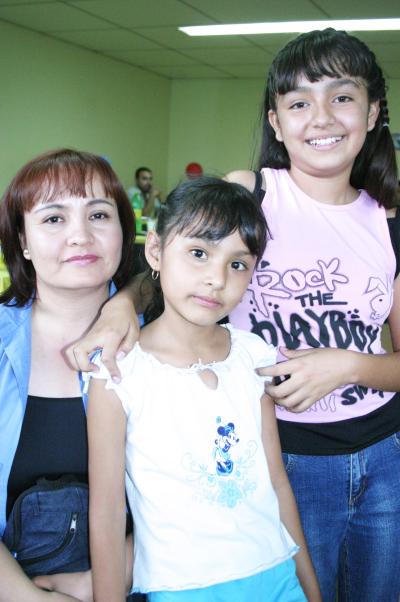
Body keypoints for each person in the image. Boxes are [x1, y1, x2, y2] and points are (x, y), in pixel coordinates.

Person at [67, 28, 400, 602]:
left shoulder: (388, 221)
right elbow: (181, 254)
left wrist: (347, 366)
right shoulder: (252, 193)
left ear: (372, 112)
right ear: (275, 122)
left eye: (342, 97)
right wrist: (122, 303)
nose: (321, 117)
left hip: (385, 456)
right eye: (299, 102)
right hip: (281, 455)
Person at [87, 178, 321, 602]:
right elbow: (105, 514)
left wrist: (309, 586)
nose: (216, 279)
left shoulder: (254, 356)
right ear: (155, 250)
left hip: (276, 575)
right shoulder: (118, 371)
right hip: (181, 588)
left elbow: (276, 482)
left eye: (238, 264)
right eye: (199, 253)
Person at [0, 148, 138, 602]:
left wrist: (108, 581)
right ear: (22, 241)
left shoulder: (166, 342)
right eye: (54, 219)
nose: (80, 236)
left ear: (123, 230)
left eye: (99, 214)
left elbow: (203, 493)